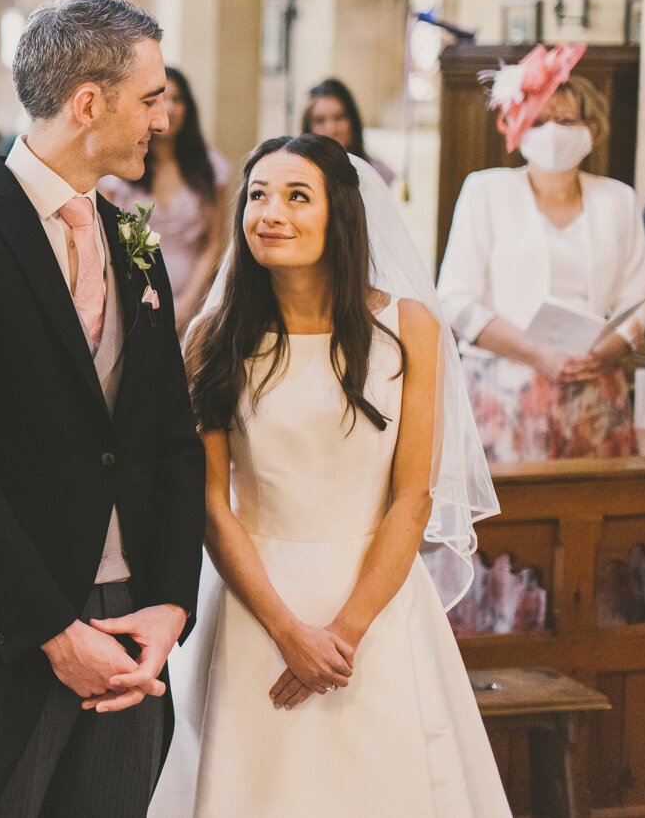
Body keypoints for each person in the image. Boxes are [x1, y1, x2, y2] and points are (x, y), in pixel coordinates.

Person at [0, 0, 206, 817]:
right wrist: (56, 634)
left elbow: (169, 433)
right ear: (88, 103)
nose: (161, 118)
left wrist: (170, 601)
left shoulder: (132, 240)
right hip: (12, 621)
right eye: (150, 97)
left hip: (134, 621)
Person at [154, 135, 507, 817]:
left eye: (296, 196)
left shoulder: (409, 328)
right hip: (258, 600)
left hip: (374, 600)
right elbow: (211, 503)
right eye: (258, 195)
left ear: (339, 213)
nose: (270, 212)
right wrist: (288, 630)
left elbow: (413, 494)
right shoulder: (215, 334)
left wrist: (343, 632)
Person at [438, 47, 645, 462]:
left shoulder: (618, 200)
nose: (552, 130)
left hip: (593, 387)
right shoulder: (486, 192)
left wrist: (603, 355)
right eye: (538, 120)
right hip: (502, 388)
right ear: (519, 127)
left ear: (590, 128)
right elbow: (455, 300)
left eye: (565, 120)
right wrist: (538, 354)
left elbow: (638, 301)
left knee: (591, 515)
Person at [100, 67, 230, 333]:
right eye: (157, 101)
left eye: (177, 99)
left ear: (188, 106)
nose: (169, 108)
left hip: (195, 299)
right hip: (132, 297)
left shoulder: (210, 166)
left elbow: (214, 243)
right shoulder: (119, 167)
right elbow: (107, 242)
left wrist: (187, 302)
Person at [302, 78, 396, 185]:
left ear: (353, 121)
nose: (331, 129)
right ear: (308, 127)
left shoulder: (379, 175)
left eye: (339, 117)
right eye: (320, 120)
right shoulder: (298, 174)